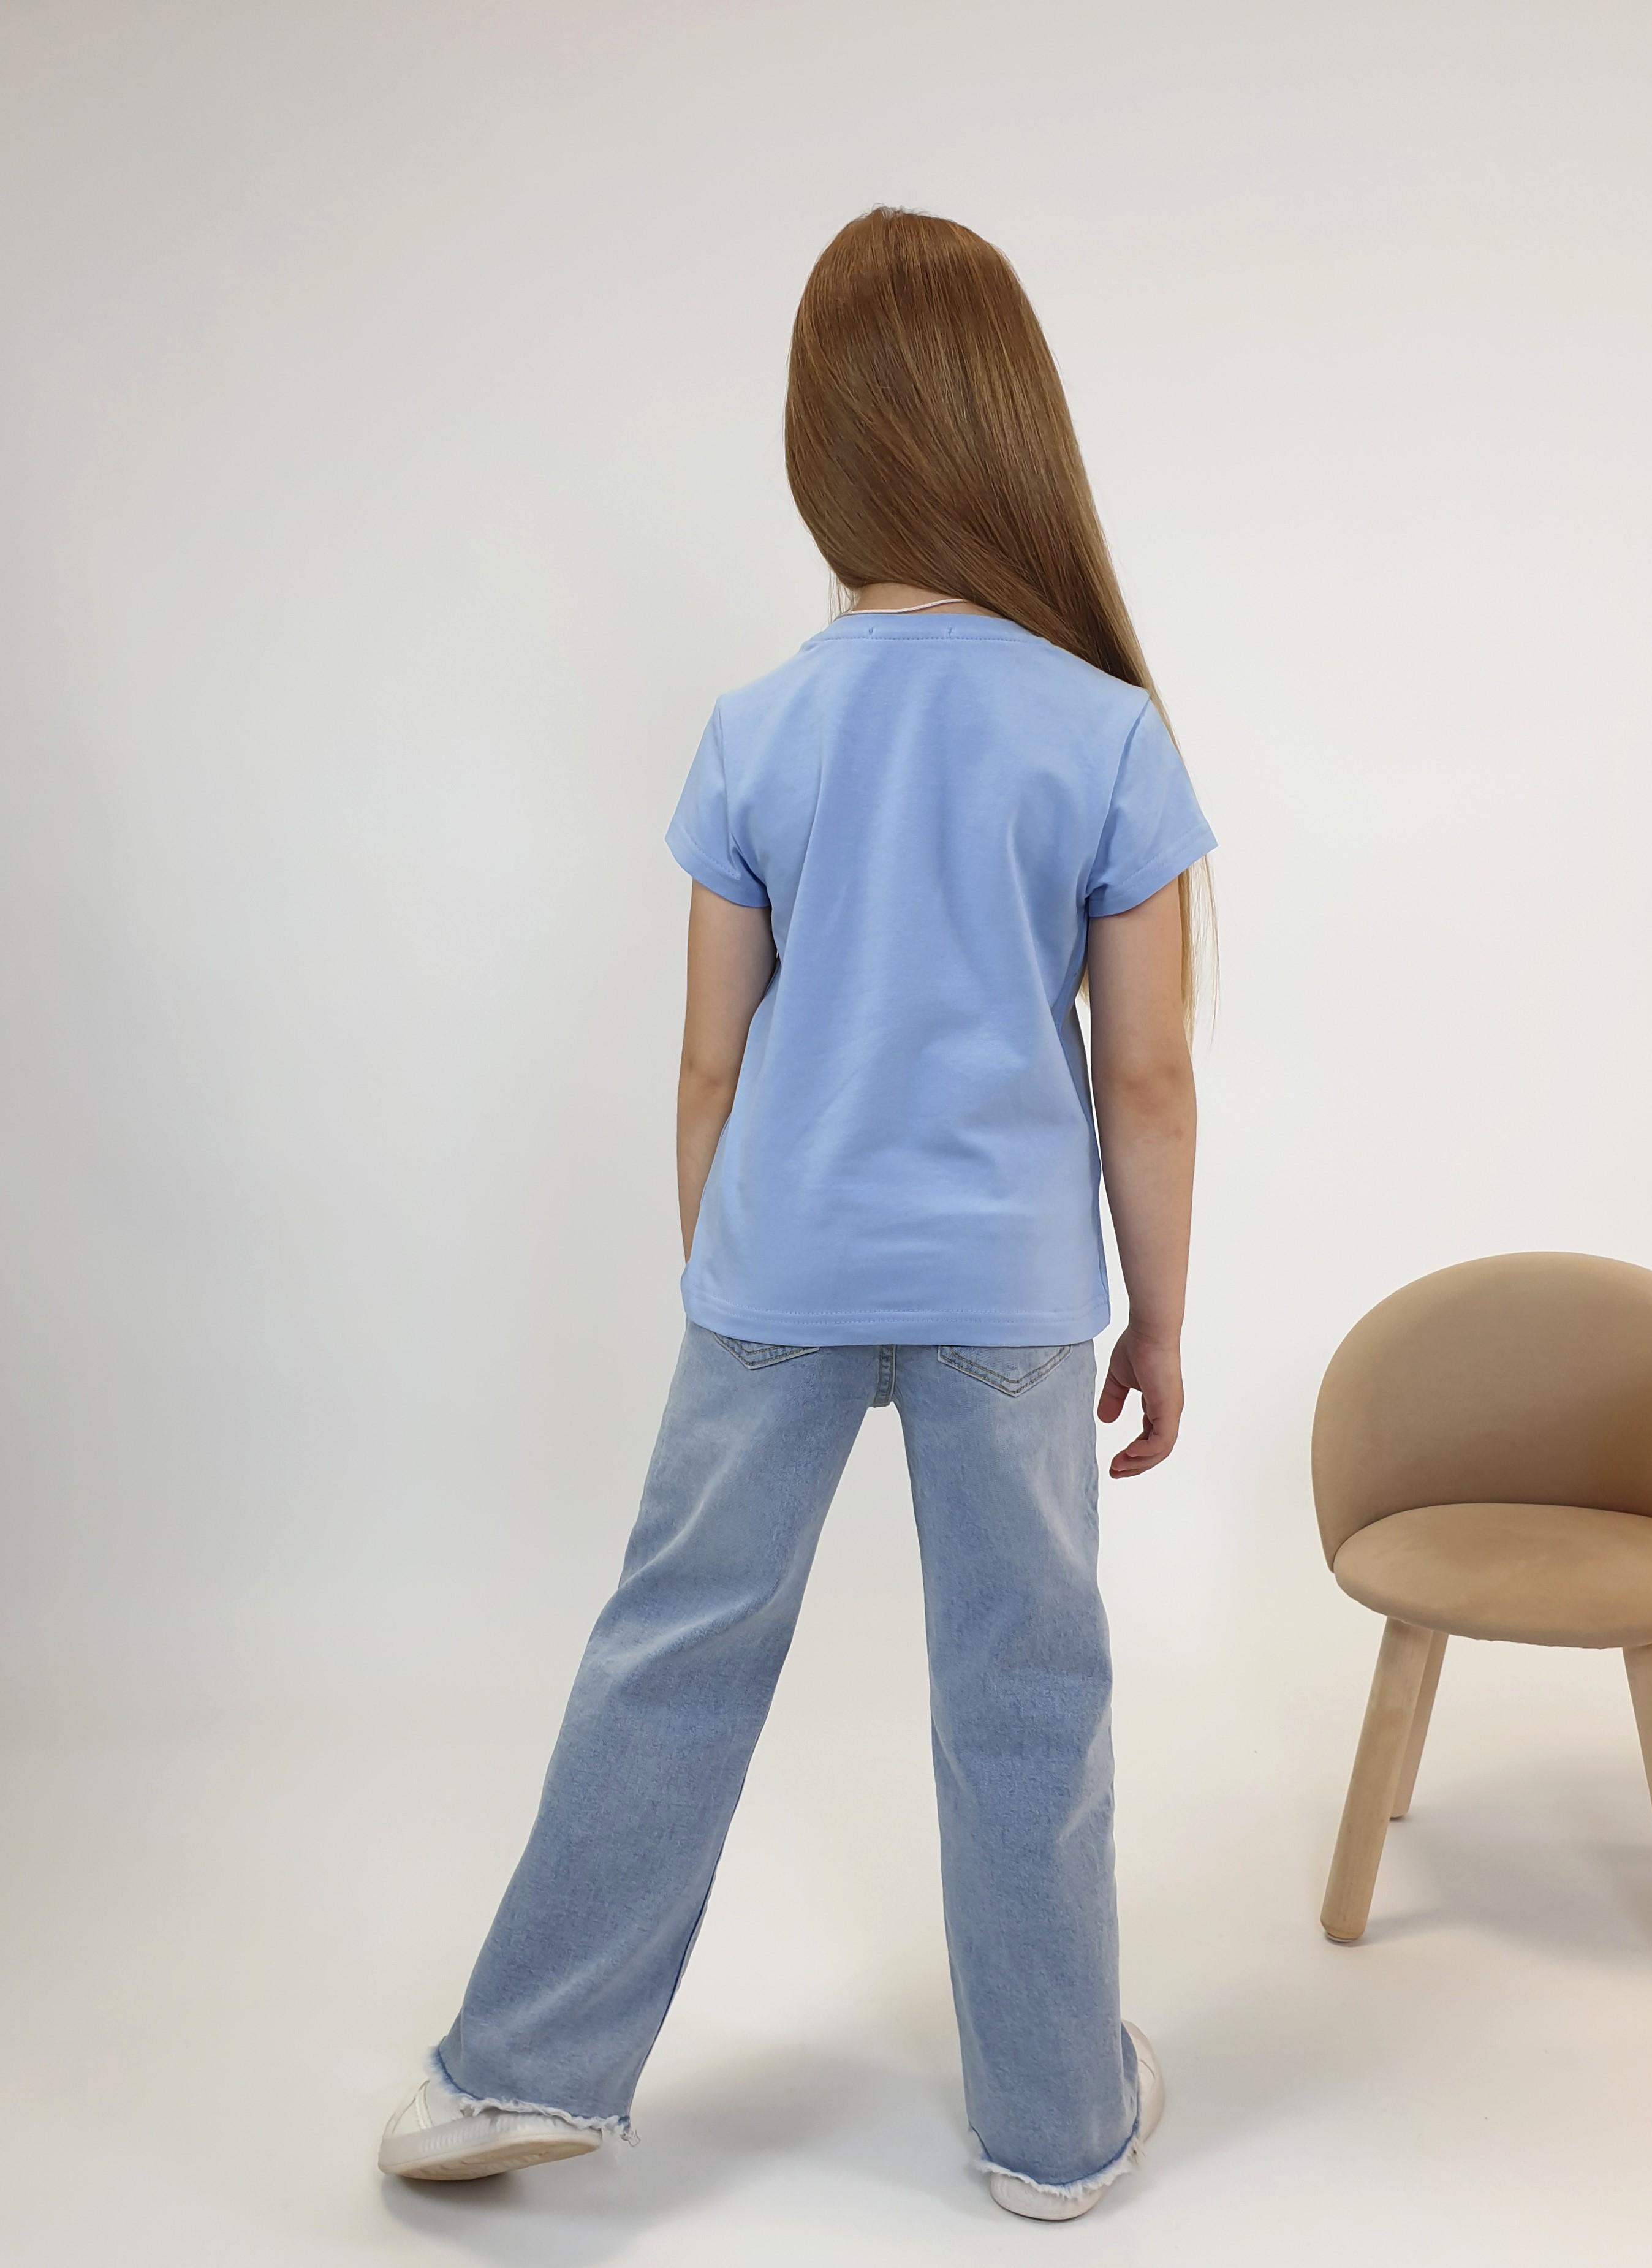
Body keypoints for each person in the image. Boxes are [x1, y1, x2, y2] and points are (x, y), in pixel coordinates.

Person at [378, 205, 1216, 2224]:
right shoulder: (1104, 729)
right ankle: (1057, 2130)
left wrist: (728, 1273)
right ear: (1010, 429)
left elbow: (707, 1066)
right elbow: (1148, 1079)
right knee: (1028, 1690)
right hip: (1012, 1291)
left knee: (670, 1652)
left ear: (820, 444)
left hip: (778, 1273)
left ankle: (522, 2068)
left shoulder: (759, 727)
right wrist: (1160, 1321)